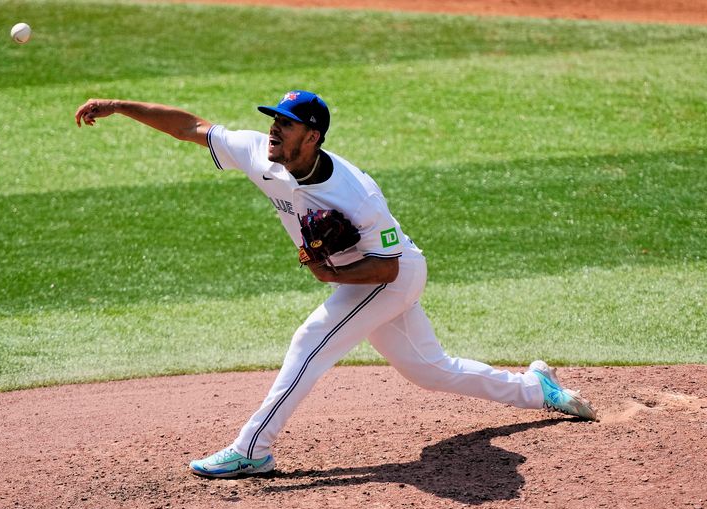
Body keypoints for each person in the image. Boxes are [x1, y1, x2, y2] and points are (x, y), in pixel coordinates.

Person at [75, 90, 597, 479]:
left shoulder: (357, 195)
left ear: (313, 137)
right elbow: (192, 127)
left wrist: (332, 275)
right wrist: (119, 106)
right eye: (274, 121)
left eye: (287, 124)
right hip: (366, 274)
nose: (275, 131)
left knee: (310, 342)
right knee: (430, 371)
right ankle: (538, 389)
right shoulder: (261, 154)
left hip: (388, 273)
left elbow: (390, 268)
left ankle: (253, 447)